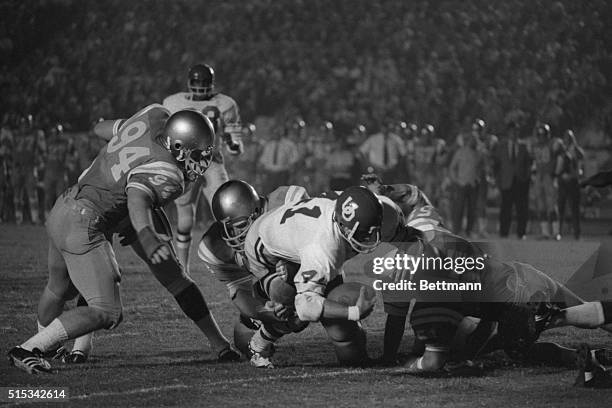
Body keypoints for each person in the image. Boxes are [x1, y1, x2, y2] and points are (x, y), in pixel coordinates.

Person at [7, 105, 232, 374]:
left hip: (65, 206)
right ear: (177, 146)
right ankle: (29, 349)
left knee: (59, 289)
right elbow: (138, 197)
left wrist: (124, 140)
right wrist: (146, 234)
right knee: (108, 311)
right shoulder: (169, 173)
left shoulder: (154, 116)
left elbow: (100, 128)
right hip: (89, 220)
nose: (201, 163)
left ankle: (47, 342)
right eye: (197, 154)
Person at [240, 186, 383, 367]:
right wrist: (354, 312)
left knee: (351, 351)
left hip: (295, 233)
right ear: (342, 225)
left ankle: (292, 274)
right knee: (294, 314)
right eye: (362, 233)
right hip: (262, 247)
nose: (371, 238)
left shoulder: (347, 207)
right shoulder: (323, 248)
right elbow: (306, 306)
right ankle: (258, 342)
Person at [163, 63, 243, 274]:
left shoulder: (225, 104)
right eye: (196, 83)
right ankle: (183, 267)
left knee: (228, 211)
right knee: (186, 216)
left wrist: (233, 143)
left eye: (203, 84)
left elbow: (235, 142)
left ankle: (239, 258)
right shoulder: (173, 102)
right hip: (190, 163)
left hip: (209, 162)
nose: (199, 88)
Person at [492, 121, 533, 239]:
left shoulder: (523, 146)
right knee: (506, 207)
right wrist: (497, 180)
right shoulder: (501, 146)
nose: (514, 133)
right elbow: (497, 165)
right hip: (506, 181)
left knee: (521, 208)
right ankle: (504, 232)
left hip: (520, 181)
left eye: (516, 131)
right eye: (512, 131)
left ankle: (521, 232)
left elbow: (528, 164)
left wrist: (526, 178)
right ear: (508, 132)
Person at [531, 123, 563, 239]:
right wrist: (534, 176)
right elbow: (535, 162)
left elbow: (560, 157)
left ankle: (555, 232)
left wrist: (556, 173)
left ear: (548, 134)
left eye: (543, 134)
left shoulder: (553, 143)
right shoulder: (535, 146)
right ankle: (545, 232)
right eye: (539, 134)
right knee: (541, 205)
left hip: (549, 176)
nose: (541, 137)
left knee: (552, 205)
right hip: (540, 177)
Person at [556, 129, 584, 240]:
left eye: (569, 138)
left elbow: (579, 168)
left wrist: (573, 175)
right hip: (562, 182)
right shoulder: (561, 150)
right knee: (560, 207)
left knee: (574, 208)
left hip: (573, 181)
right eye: (566, 137)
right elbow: (558, 166)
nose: (567, 140)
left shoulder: (577, 151)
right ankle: (558, 231)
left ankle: (577, 232)